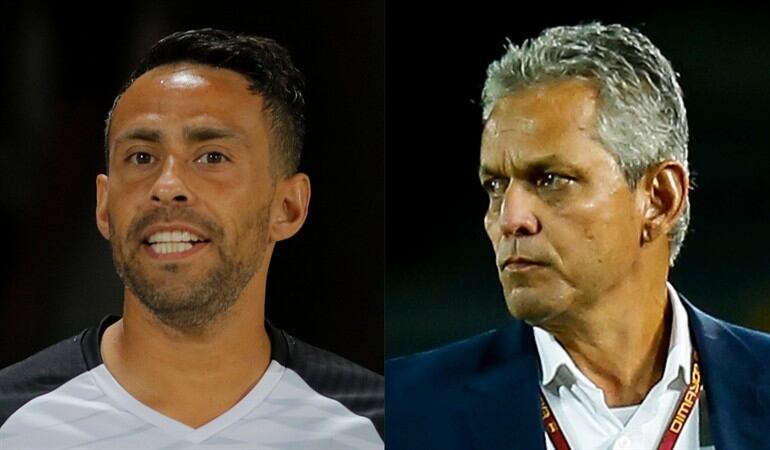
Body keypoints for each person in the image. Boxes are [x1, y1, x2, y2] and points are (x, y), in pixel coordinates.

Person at [386, 22, 770, 450]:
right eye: (495, 186)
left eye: (550, 179)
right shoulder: (398, 412)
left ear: (659, 199)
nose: (510, 218)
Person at [0, 28, 383, 449]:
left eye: (212, 157)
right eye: (141, 157)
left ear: (288, 207)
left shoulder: (374, 425)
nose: (167, 185)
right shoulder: (11, 419)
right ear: (105, 206)